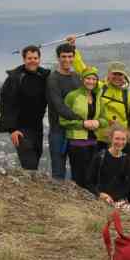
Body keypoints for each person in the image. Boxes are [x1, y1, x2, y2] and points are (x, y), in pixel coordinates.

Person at [72, 44, 130, 148]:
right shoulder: (100, 87)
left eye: (120, 74)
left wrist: (119, 126)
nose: (117, 77)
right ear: (108, 75)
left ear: (124, 77)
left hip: (119, 142)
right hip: (99, 140)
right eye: (114, 74)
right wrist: (73, 49)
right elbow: (83, 71)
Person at [0, 45, 50, 170]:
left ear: (39, 59)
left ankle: (33, 187)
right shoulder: (15, 78)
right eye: (29, 58)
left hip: (37, 127)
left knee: (36, 157)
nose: (32, 61)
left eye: (35, 58)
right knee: (29, 163)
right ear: (24, 59)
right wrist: (12, 129)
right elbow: (6, 104)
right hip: (20, 128)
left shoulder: (43, 76)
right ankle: (32, 187)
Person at [61, 67, 108, 189]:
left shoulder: (97, 97)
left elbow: (105, 119)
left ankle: (90, 204)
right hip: (77, 142)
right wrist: (82, 124)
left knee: (91, 176)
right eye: (88, 78)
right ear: (82, 79)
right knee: (79, 177)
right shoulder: (72, 96)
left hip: (93, 142)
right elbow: (63, 120)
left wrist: (98, 122)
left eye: (94, 79)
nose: (91, 81)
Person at [46, 42, 81, 179]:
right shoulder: (53, 79)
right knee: (58, 171)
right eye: (63, 56)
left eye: (70, 56)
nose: (67, 60)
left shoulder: (76, 77)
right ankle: (57, 200)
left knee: (78, 171)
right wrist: (82, 119)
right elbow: (58, 106)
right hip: (58, 130)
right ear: (58, 58)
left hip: (76, 131)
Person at [87, 124, 130, 214]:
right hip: (99, 199)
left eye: (123, 139)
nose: (120, 142)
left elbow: (127, 187)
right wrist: (100, 195)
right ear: (111, 139)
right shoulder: (100, 157)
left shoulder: (127, 161)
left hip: (118, 202)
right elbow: (89, 182)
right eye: (117, 138)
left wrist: (115, 201)